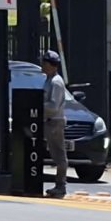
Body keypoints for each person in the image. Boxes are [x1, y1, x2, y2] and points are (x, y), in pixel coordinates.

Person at [42, 51, 68, 198]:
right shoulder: (48, 79)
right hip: (48, 121)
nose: (42, 65)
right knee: (54, 153)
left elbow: (53, 105)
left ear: (51, 65)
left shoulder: (56, 82)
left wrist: (38, 105)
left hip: (55, 122)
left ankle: (61, 185)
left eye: (44, 63)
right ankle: (59, 185)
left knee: (59, 154)